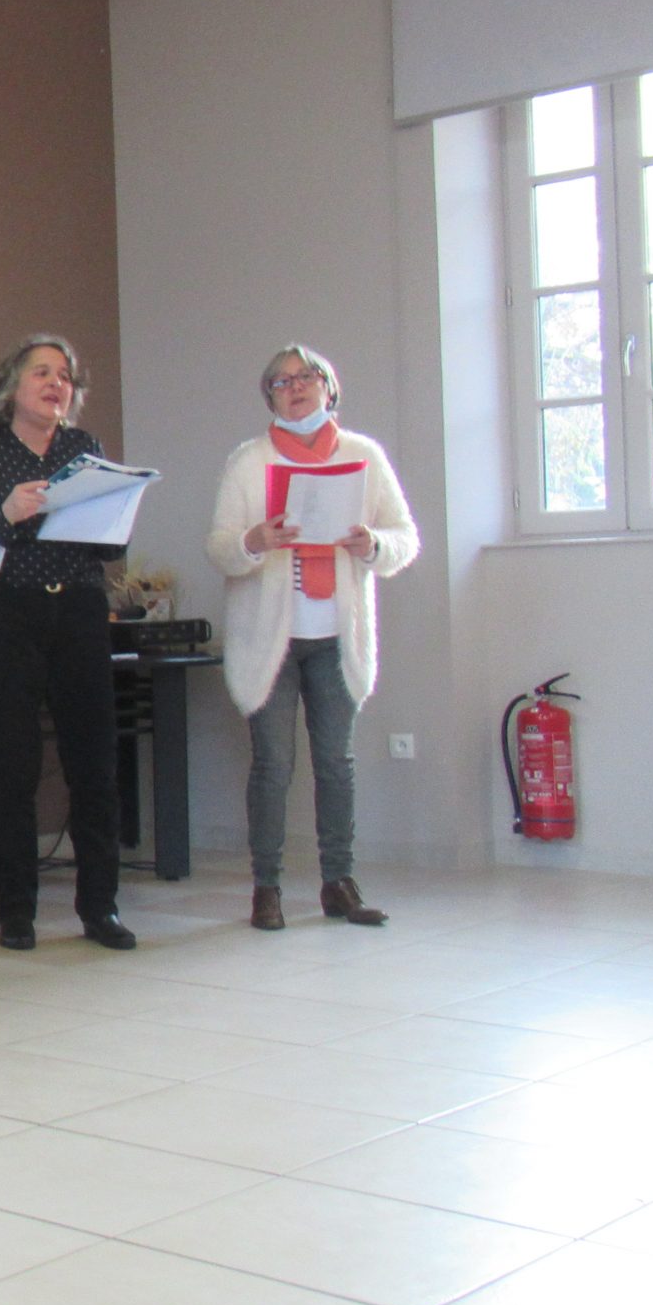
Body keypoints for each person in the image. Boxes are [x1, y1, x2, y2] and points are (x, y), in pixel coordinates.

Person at [206, 344, 419, 930]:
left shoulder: (362, 455)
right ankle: (266, 888)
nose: (295, 387)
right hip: (271, 640)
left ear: (330, 389)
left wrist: (371, 544)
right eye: (280, 380)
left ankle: (338, 882)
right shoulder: (249, 461)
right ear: (268, 395)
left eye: (307, 377)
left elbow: (404, 538)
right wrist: (255, 540)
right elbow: (220, 547)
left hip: (336, 635)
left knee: (337, 763)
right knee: (272, 765)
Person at [0, 334, 134, 952]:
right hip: (7, 615)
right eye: (42, 373)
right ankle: (16, 913)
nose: (57, 384)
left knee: (94, 764)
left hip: (78, 606)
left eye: (66, 376)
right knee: (16, 766)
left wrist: (114, 514)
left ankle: (99, 907)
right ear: (10, 388)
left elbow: (107, 547)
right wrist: (5, 515)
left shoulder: (85, 450)